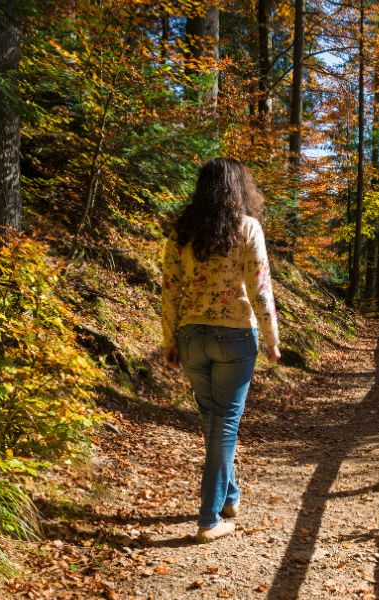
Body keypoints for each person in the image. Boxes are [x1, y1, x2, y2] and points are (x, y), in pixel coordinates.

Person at [161, 158, 280, 543]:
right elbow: (260, 287)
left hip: (192, 337)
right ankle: (209, 519)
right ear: (238, 189)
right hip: (234, 337)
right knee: (225, 424)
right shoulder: (247, 228)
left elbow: (169, 288)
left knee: (214, 423)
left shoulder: (181, 233)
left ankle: (229, 497)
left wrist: (168, 340)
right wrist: (273, 338)